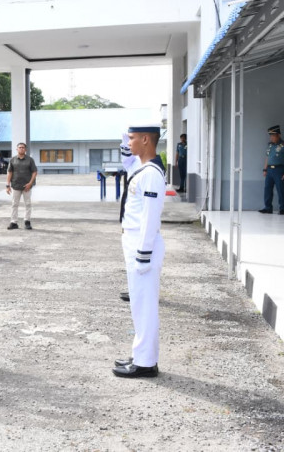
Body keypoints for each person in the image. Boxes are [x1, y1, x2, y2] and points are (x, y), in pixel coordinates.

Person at [113, 122, 166, 379]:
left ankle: (146, 363)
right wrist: (125, 135)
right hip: (134, 242)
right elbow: (126, 160)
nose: (129, 143)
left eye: (133, 138)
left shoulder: (152, 174)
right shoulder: (140, 168)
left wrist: (143, 255)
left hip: (143, 245)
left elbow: (150, 218)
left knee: (145, 306)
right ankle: (141, 354)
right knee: (138, 304)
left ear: (146, 140)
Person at [259, 125, 284, 215]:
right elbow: (267, 158)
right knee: (267, 189)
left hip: (279, 170)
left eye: (273, 135)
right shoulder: (270, 146)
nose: (271, 137)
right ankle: (268, 207)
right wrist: (265, 169)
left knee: (281, 190)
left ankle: (283, 208)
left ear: (278, 135)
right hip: (269, 170)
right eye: (270, 135)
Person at [6, 142, 37, 230]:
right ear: (17, 149)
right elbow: (10, 172)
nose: (21, 149)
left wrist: (30, 183)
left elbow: (34, 172)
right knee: (14, 204)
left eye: (23, 147)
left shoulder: (30, 160)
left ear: (25, 149)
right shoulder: (12, 160)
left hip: (27, 186)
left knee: (28, 204)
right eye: (19, 147)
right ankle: (13, 222)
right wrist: (7, 185)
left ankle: (27, 221)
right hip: (15, 185)